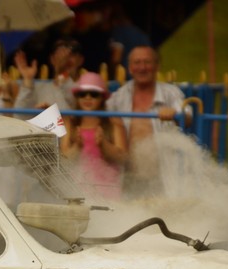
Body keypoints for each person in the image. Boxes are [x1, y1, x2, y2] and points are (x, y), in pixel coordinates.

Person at [106, 46, 190, 195]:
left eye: (147, 62)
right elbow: (101, 119)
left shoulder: (171, 93)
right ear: (130, 67)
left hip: (164, 176)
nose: (142, 67)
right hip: (128, 176)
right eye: (137, 62)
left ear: (157, 66)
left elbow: (188, 115)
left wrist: (176, 113)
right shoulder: (119, 97)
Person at [61, 72, 128, 200]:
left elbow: (123, 157)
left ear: (102, 97)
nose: (87, 98)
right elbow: (64, 160)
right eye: (82, 94)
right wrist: (77, 146)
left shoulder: (114, 121)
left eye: (94, 94)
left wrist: (104, 144)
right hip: (77, 193)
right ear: (77, 97)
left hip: (108, 192)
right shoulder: (69, 122)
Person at [13, 38, 84, 114]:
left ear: (80, 60)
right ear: (52, 59)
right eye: (61, 54)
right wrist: (27, 79)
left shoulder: (86, 89)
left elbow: (74, 109)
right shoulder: (39, 87)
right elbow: (20, 115)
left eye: (71, 55)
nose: (65, 59)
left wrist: (62, 73)